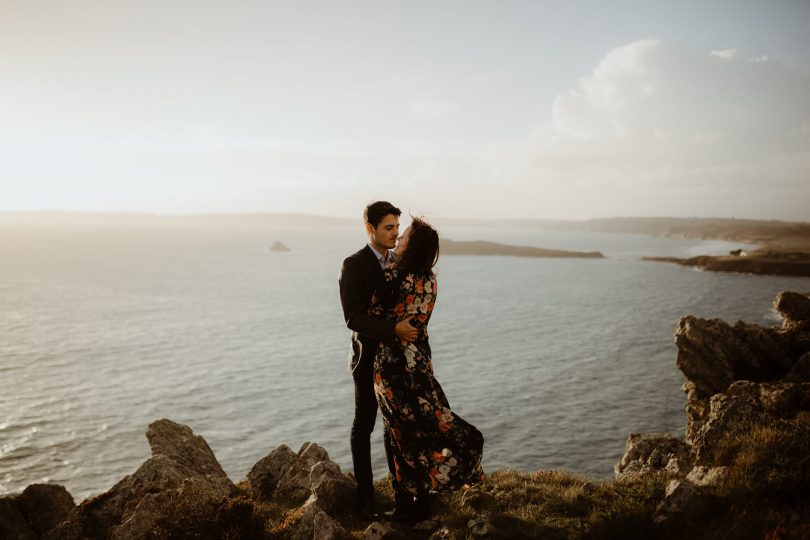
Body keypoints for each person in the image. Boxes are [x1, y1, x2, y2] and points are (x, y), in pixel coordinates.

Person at [372, 217, 484, 524]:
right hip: (419, 364)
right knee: (416, 426)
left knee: (398, 432)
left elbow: (372, 315)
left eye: (404, 235)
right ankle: (418, 501)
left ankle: (409, 504)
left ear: (413, 245)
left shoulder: (397, 279)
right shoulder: (429, 280)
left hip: (393, 366)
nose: (398, 238)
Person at [338, 201, 419, 520]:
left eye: (397, 228)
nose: (395, 234)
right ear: (369, 228)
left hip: (396, 360)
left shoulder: (398, 262)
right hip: (367, 359)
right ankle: (364, 499)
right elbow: (352, 317)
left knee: (394, 428)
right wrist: (392, 329)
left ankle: (402, 496)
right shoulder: (353, 264)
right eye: (388, 228)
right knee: (364, 426)